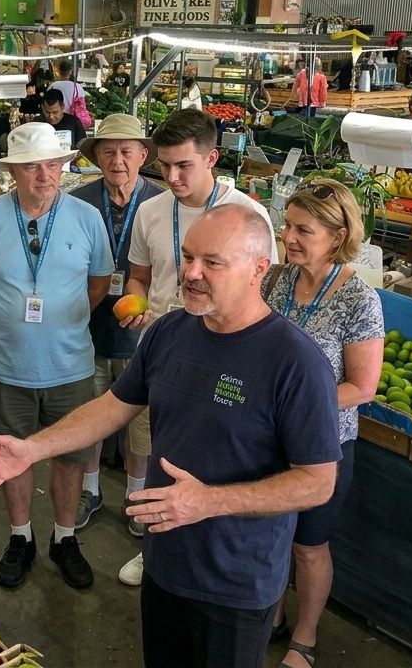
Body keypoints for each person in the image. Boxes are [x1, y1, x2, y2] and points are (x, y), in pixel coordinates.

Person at [0, 203, 342, 668]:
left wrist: (208, 501)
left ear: (259, 269)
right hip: (164, 563)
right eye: (187, 257)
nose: (192, 273)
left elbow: (317, 482)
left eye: (212, 262)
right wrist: (33, 447)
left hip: (235, 583)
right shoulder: (169, 332)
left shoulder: (296, 363)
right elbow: (112, 407)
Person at [116, 107, 279, 585]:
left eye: (183, 165)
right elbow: (140, 277)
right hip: (161, 349)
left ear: (212, 158)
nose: (171, 176)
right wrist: (138, 304)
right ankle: (155, 543)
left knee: (212, 452)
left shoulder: (250, 216)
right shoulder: (150, 210)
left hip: (225, 357)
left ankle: (210, 550)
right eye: (163, 166)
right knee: (156, 448)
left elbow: (260, 292)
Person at [0, 122, 113, 590]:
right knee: (9, 454)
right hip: (5, 368)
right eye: (32, 167)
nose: (45, 175)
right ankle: (20, 536)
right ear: (13, 173)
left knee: (69, 457)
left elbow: (99, 283)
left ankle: (64, 538)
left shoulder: (86, 218)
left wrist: (62, 318)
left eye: (53, 165)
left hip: (70, 366)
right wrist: (8, 321)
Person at [262, 178, 384, 668]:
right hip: (266, 438)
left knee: (309, 546)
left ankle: (304, 638)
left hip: (321, 445)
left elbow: (363, 386)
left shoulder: (359, 299)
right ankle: (270, 615)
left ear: (337, 236)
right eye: (286, 225)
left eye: (302, 229)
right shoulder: (275, 280)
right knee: (267, 535)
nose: (288, 237)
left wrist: (297, 406)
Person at [68, 114, 164, 529]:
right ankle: (90, 490)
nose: (118, 159)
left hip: (143, 336)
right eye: (108, 151)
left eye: (127, 150)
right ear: (97, 157)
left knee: (140, 425)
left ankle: (136, 498)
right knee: (89, 417)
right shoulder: (77, 202)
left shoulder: (162, 204)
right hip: (84, 331)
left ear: (143, 155)